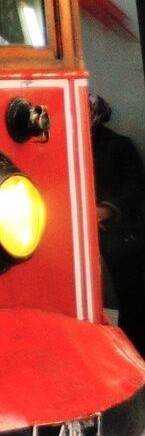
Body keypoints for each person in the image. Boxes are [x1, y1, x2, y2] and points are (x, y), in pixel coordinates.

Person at [93, 94, 145, 346]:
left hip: (115, 230)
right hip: (85, 228)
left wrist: (106, 210)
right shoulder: (64, 144)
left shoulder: (118, 145)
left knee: (131, 294)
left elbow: (134, 189)